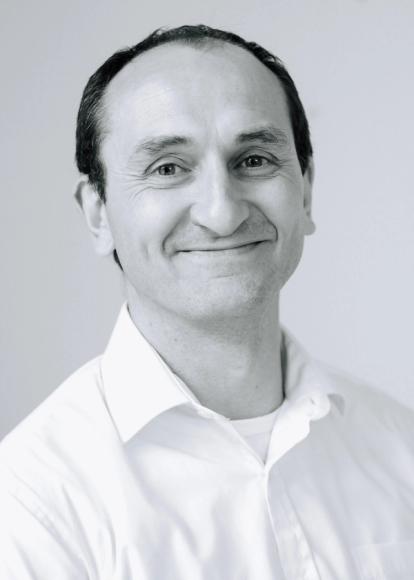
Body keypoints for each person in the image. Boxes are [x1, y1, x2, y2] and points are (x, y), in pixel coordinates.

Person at [1, 24, 413, 580]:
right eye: (168, 168)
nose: (222, 212)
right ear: (98, 214)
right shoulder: (33, 505)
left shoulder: (400, 448)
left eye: (254, 160)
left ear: (306, 190)